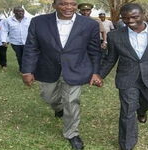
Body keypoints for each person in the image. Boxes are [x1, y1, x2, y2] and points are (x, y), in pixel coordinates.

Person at [21, 0, 102, 149]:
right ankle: (59, 108)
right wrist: (27, 70)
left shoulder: (90, 24)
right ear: (54, 5)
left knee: (72, 101)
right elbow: (31, 47)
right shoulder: (38, 22)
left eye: (72, 4)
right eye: (63, 4)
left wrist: (96, 72)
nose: (68, 7)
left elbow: (94, 51)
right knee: (48, 97)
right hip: (47, 68)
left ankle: (72, 133)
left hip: (75, 68)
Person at [99, 3, 148, 150]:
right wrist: (100, 75)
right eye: (125, 18)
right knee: (128, 110)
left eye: (134, 17)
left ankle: (142, 111)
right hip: (127, 77)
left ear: (143, 14)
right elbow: (110, 59)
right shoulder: (114, 35)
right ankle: (127, 145)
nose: (130, 21)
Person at [0, 6, 31, 73]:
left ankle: (28, 70)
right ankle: (21, 69)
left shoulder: (29, 19)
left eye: (22, 11)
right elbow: (4, 31)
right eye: (18, 11)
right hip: (15, 42)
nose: (21, 13)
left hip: (28, 42)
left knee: (27, 56)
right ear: (14, 12)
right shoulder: (8, 20)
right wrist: (3, 40)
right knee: (19, 56)